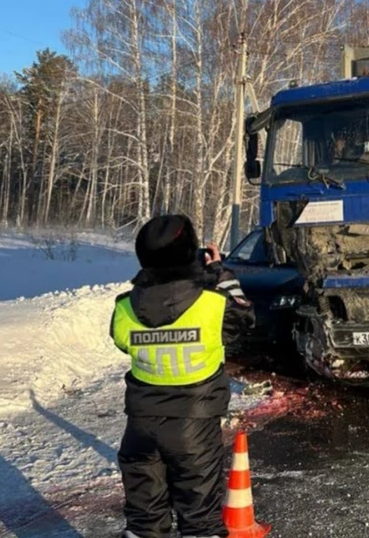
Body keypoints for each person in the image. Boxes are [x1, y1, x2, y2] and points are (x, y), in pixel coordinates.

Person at [110, 214, 255, 538]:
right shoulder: (213, 306)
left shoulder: (124, 308)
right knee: (199, 519)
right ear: (191, 253)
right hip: (194, 428)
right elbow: (244, 314)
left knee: (144, 520)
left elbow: (122, 342)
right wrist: (218, 272)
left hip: (140, 427)